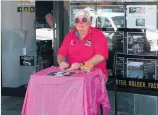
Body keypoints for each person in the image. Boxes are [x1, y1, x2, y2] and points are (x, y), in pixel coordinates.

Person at [57, 10, 109, 82]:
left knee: (82, 87)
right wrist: (61, 62)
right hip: (73, 73)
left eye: (84, 20)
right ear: (75, 23)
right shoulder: (70, 35)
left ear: (89, 22)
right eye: (77, 20)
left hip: (95, 73)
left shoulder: (98, 34)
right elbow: (61, 54)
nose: (80, 23)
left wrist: (82, 65)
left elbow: (100, 57)